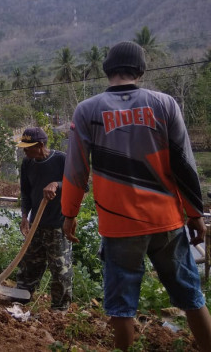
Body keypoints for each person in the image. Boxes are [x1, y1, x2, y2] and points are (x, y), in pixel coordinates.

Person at [61, 41, 211, 351]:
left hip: (119, 228)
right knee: (192, 297)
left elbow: (75, 170)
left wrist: (70, 214)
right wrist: (195, 214)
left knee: (121, 306)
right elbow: (184, 163)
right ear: (140, 71)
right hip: (166, 221)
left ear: (107, 70)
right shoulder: (164, 104)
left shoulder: (87, 110)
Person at [15, 127, 72, 311]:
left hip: (58, 224)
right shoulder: (28, 163)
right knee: (29, 264)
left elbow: (82, 186)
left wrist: (58, 184)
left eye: (28, 147)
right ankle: (21, 298)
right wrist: (25, 216)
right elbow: (26, 192)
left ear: (40, 145)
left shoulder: (61, 160)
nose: (25, 151)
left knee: (60, 270)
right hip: (36, 224)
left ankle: (59, 309)